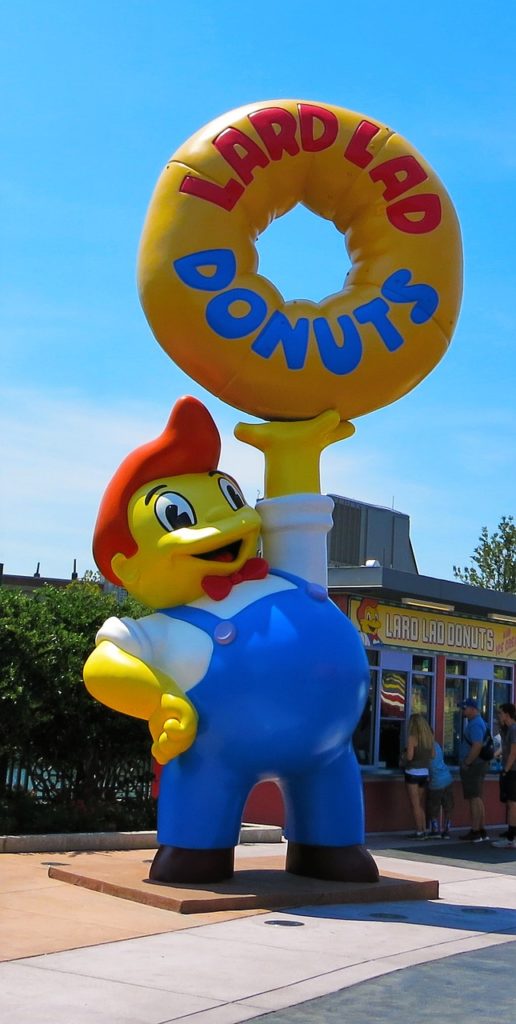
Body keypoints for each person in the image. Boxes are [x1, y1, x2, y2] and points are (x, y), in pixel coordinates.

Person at [458, 697, 488, 842]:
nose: (462, 711)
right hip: (479, 764)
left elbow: (477, 745)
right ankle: (481, 829)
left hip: (474, 765)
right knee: (477, 797)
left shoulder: (475, 724)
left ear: (473, 709)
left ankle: (475, 830)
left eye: (464, 708)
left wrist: (467, 762)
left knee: (473, 798)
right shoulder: (477, 722)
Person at [400, 713, 434, 839]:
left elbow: (409, 757)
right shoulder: (429, 738)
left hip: (412, 772)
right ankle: (423, 829)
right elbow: (433, 755)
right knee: (419, 804)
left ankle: (419, 831)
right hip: (424, 773)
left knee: (415, 805)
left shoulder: (412, 738)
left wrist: (403, 756)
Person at [492, 703, 516, 849]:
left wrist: (506, 770)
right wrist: (493, 756)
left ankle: (511, 837)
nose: (499, 715)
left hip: (513, 771)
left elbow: (514, 752)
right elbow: (504, 749)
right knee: (510, 803)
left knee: (513, 804)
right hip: (510, 770)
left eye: (500, 713)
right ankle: (511, 834)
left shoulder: (514, 729)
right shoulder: (507, 730)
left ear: (507, 714)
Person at [427, 737, 454, 838]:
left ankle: (435, 829)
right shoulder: (436, 745)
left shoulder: (425, 747)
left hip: (436, 781)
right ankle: (447, 829)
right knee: (448, 806)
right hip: (447, 777)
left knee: (433, 806)